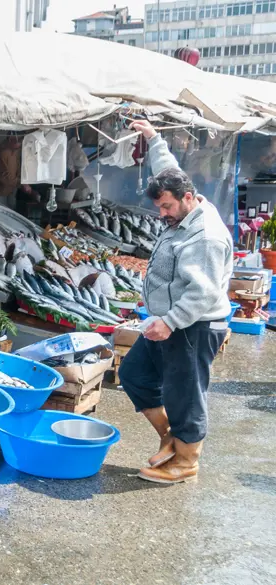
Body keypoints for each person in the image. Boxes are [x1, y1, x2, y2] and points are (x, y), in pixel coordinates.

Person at [118, 119, 233, 484]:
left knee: (185, 394)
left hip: (192, 325)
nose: (162, 214)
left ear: (187, 198)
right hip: (166, 320)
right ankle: (171, 438)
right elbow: (168, 169)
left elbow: (204, 292)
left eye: (167, 207)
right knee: (134, 374)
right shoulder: (184, 198)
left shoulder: (206, 237)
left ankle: (186, 461)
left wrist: (168, 322)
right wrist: (152, 138)